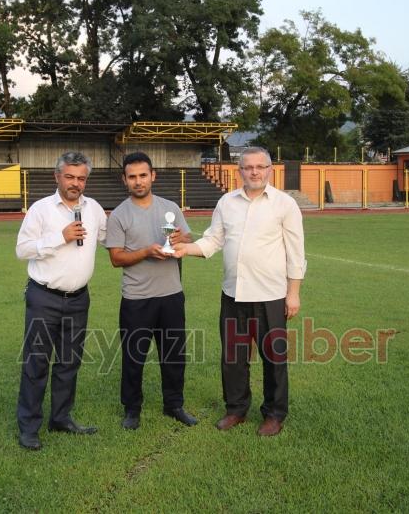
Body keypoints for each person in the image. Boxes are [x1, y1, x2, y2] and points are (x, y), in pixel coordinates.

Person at [172, 147, 306, 436]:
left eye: (261, 166)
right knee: (233, 357)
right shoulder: (226, 203)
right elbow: (212, 241)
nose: (255, 172)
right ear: (239, 171)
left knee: (274, 358)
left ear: (271, 169)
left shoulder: (284, 204)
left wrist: (292, 293)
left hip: (271, 295)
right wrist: (185, 248)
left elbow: (296, 253)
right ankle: (236, 410)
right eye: (248, 167)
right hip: (233, 295)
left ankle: (274, 414)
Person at [15, 151, 107, 450]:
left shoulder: (93, 209)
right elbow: (23, 249)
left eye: (81, 178)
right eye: (70, 176)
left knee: (69, 362)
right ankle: (29, 427)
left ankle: (61, 418)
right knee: (37, 362)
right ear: (57, 176)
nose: (75, 183)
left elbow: (110, 238)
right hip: (44, 297)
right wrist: (60, 236)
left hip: (79, 298)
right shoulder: (41, 210)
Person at [106, 152, 197, 430]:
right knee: (134, 357)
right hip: (137, 298)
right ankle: (132, 410)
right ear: (124, 180)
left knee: (173, 354)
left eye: (143, 175)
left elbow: (187, 237)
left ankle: (174, 405)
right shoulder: (119, 214)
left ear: (153, 175)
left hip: (171, 294)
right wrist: (146, 251)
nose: (138, 181)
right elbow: (116, 258)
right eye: (132, 176)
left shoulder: (170, 207)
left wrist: (181, 238)